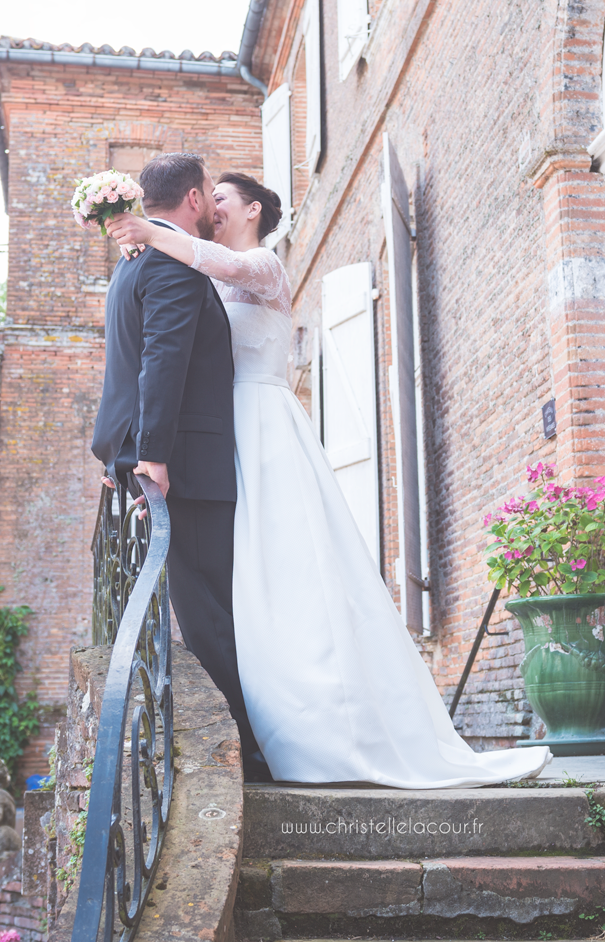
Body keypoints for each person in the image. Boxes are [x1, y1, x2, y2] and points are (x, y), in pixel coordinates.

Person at [106, 170, 552, 787]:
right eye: (207, 199)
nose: (212, 207)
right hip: (223, 437)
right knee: (249, 586)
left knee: (292, 569)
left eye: (222, 199)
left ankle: (325, 723)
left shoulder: (262, 264)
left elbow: (202, 257)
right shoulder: (197, 275)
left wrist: (142, 229)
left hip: (263, 427)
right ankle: (265, 718)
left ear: (254, 210)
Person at [91, 152, 269, 782]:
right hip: (187, 466)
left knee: (204, 609)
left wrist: (118, 448)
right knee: (210, 613)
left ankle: (237, 743)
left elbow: (125, 363)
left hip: (178, 461)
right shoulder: (170, 264)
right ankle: (245, 752)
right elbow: (157, 361)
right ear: (194, 198)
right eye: (210, 196)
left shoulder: (134, 265)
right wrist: (151, 457)